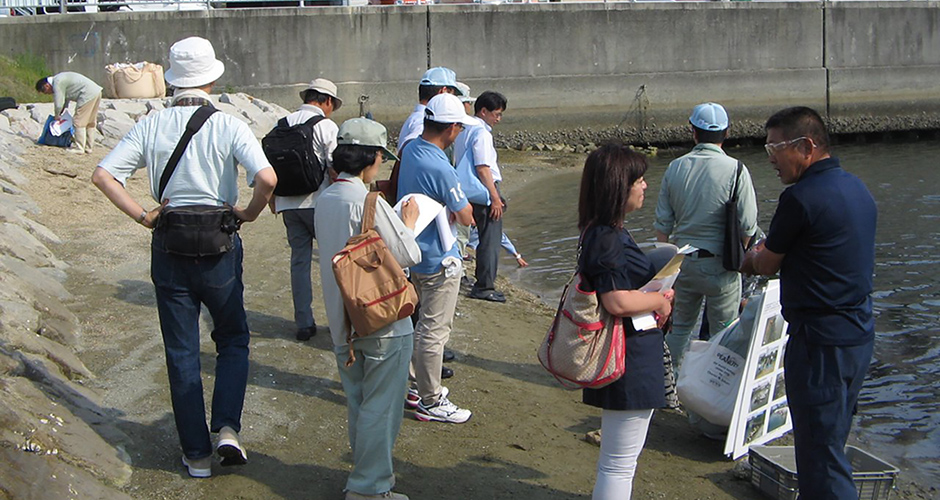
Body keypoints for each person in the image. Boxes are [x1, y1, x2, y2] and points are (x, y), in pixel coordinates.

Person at [91, 36, 277, 479]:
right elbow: (266, 178)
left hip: (170, 240)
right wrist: (247, 213)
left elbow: (103, 175)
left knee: (181, 351)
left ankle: (196, 456)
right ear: (213, 77)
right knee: (232, 339)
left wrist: (144, 216)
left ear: (172, 82)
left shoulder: (150, 125)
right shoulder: (229, 125)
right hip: (220, 241)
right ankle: (228, 428)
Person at [741, 106, 877, 500]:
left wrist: (749, 257)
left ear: (806, 146)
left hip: (819, 341)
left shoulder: (799, 198)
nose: (770, 158)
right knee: (832, 439)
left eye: (775, 148)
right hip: (858, 335)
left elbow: (765, 263)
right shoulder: (858, 189)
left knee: (821, 455)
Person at [314, 118, 421, 500]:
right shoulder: (368, 201)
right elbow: (409, 253)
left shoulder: (325, 198)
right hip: (382, 319)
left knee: (360, 403)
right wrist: (407, 221)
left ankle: (368, 478)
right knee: (383, 407)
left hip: (342, 319)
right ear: (373, 158)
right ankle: (369, 487)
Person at [577, 144, 673, 500]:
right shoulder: (607, 237)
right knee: (619, 463)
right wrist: (658, 301)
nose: (645, 186)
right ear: (619, 186)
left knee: (618, 461)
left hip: (628, 351)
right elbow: (615, 300)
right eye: (639, 180)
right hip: (627, 355)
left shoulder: (602, 232)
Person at [653, 102, 758, 368]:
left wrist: (665, 274)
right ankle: (706, 390)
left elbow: (663, 226)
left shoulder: (675, 167)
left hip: (683, 262)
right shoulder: (736, 170)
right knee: (722, 333)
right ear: (726, 132)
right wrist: (738, 256)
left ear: (694, 132)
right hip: (721, 266)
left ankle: (667, 386)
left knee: (679, 329)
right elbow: (748, 225)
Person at [396, 93, 475, 423]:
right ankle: (430, 398)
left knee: (421, 326)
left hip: (414, 252)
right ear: (452, 129)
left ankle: (416, 387)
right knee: (434, 330)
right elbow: (467, 215)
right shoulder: (440, 166)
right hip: (439, 260)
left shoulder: (412, 148)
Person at [271, 78, 342, 341]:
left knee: (299, 262)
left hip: (288, 204)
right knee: (334, 262)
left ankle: (304, 322)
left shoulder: (282, 124)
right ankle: (338, 322)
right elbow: (335, 167)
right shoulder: (325, 125)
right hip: (319, 203)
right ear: (326, 101)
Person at [453, 90, 509, 302]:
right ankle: (485, 286)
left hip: (467, 190)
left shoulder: (463, 130)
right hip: (483, 190)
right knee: (490, 240)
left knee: (468, 236)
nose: (498, 119)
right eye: (496, 114)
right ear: (483, 111)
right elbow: (483, 167)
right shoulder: (481, 133)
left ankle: (477, 281)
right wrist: (495, 197)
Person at [35, 71, 102, 154]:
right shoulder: (61, 78)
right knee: (90, 122)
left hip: (86, 94)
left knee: (78, 121)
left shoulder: (57, 82)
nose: (48, 94)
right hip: (96, 91)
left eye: (45, 92)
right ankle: (88, 147)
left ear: (46, 86)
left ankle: (79, 148)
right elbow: (65, 100)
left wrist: (56, 115)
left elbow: (59, 102)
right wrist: (61, 113)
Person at [397, 67, 459, 154]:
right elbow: (411, 148)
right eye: (453, 94)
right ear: (443, 91)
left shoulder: (416, 118)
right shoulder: (423, 123)